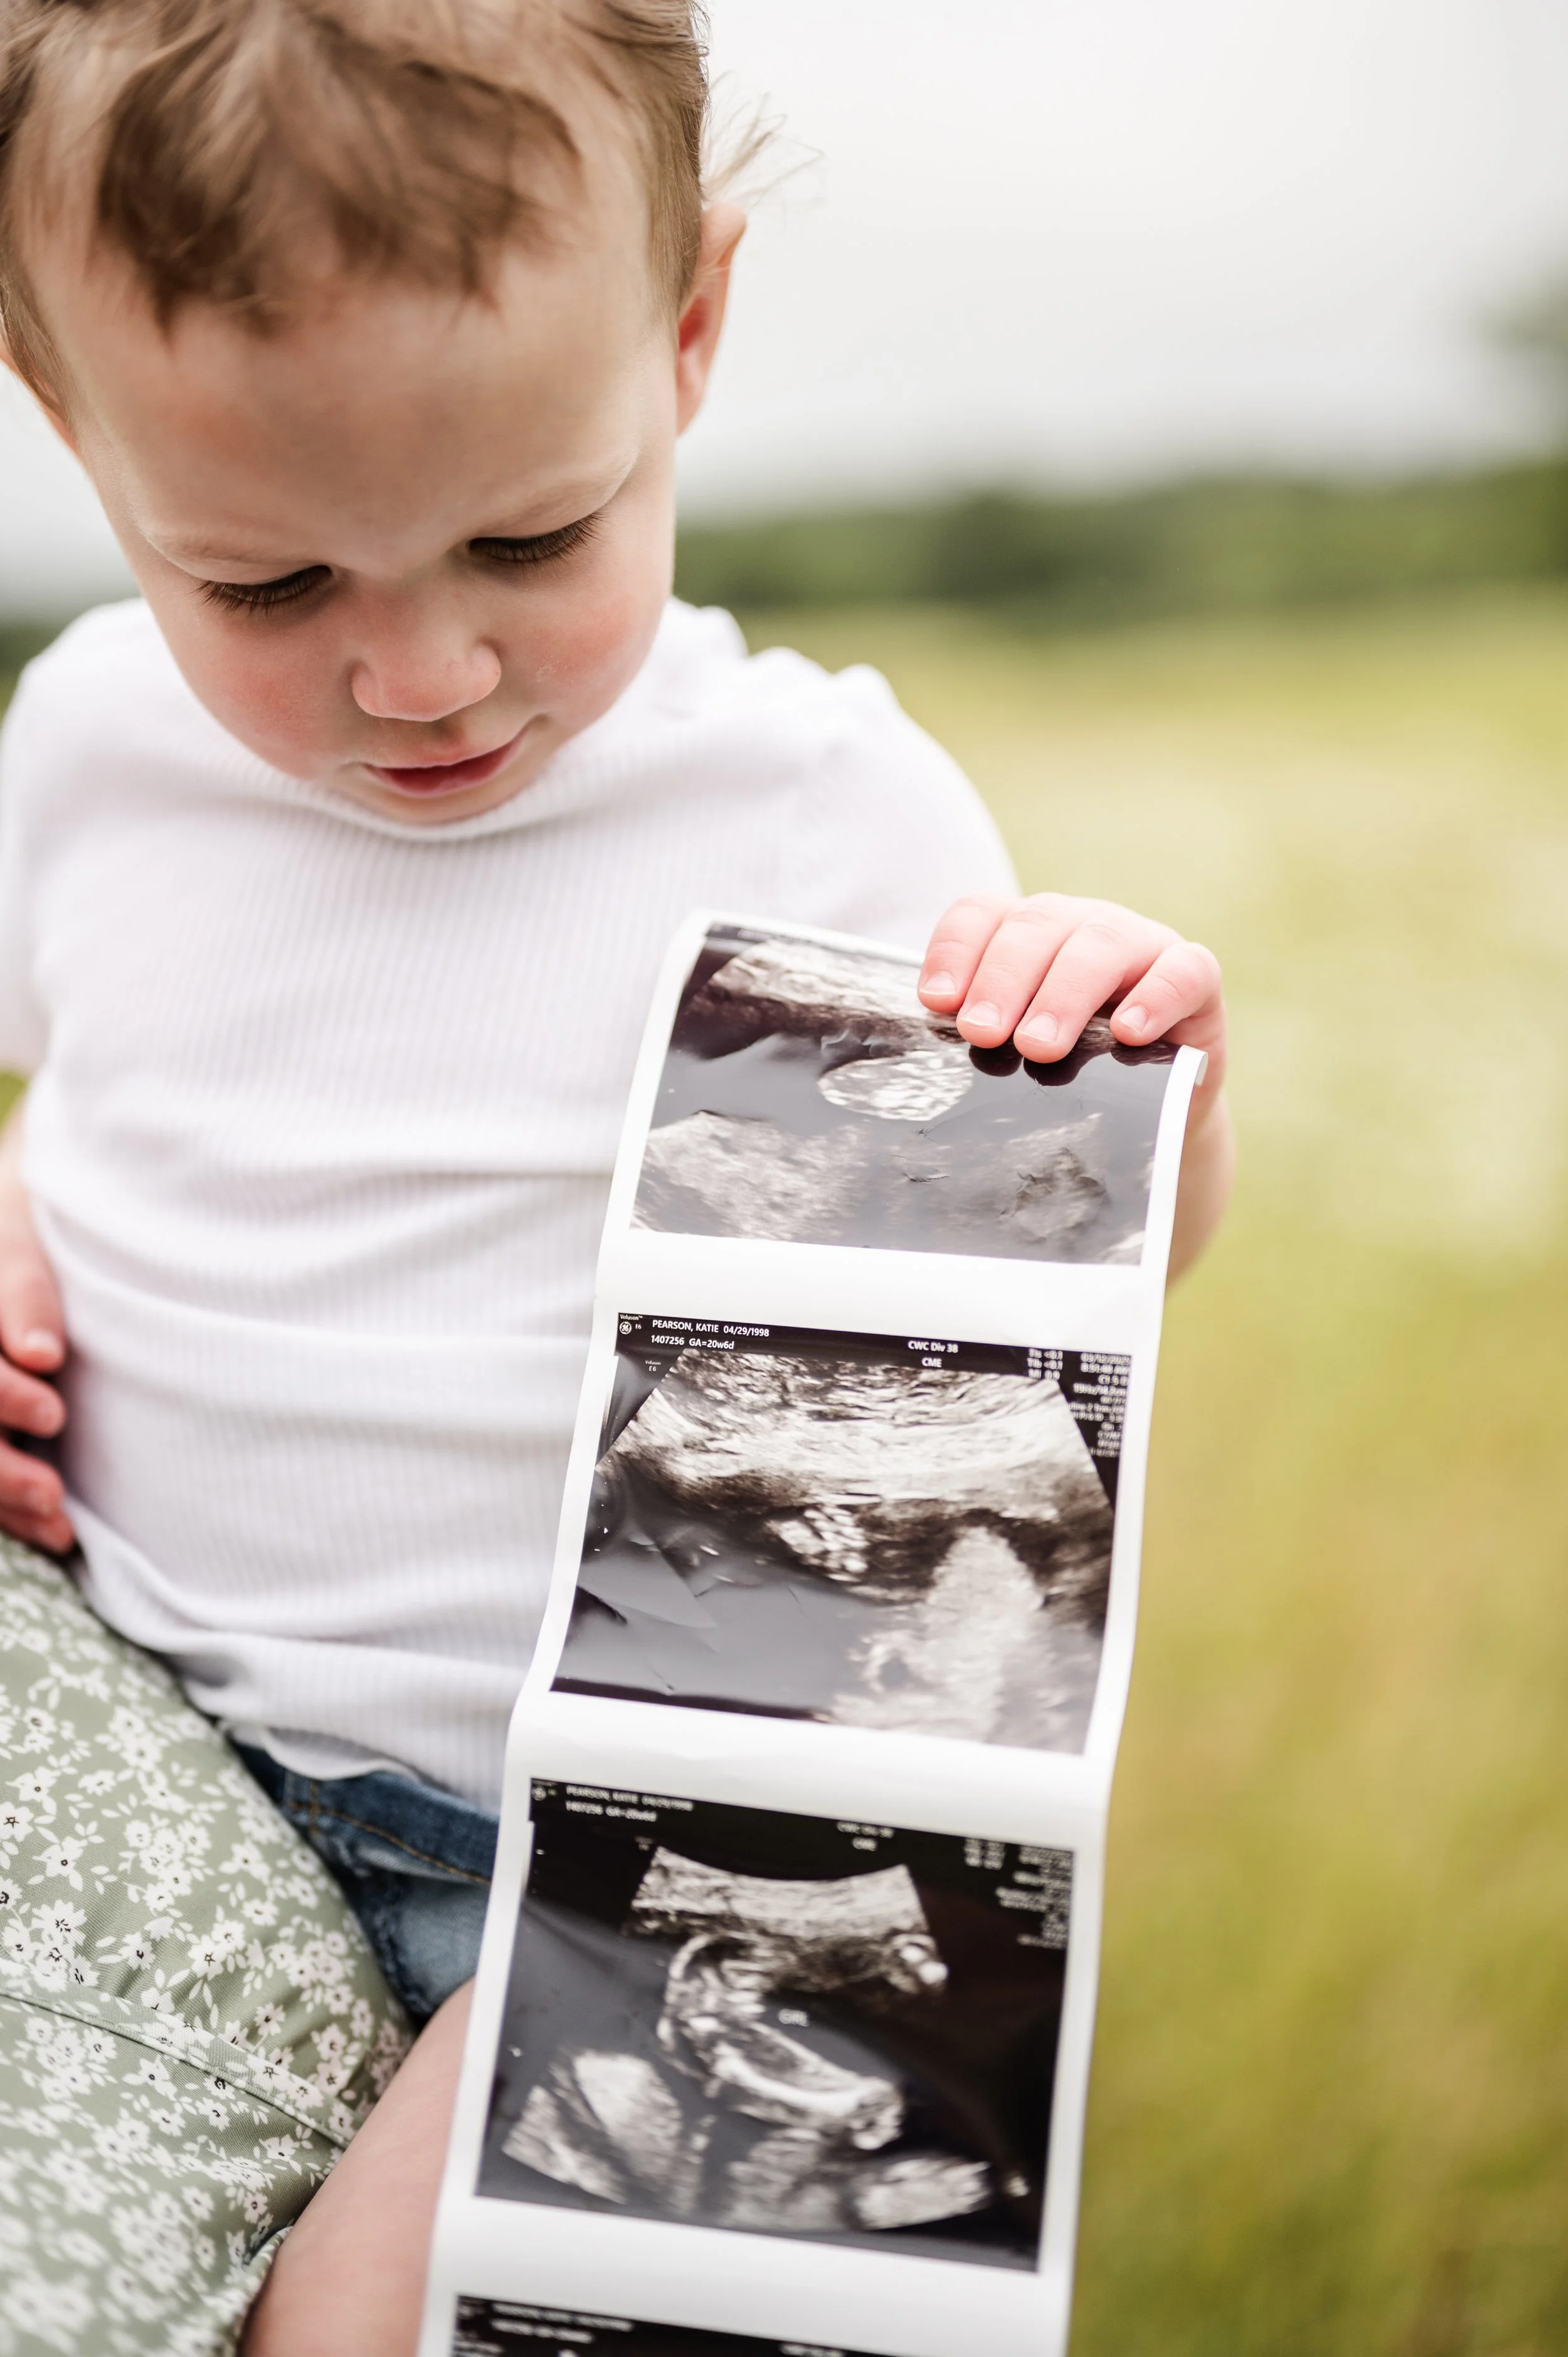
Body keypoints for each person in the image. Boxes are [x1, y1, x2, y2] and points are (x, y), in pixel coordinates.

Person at [0, 2, 1234, 2349]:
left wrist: (1129, 1069)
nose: (419, 673)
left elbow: (1040, 1314)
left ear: (686, 334)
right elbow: (73, 1082)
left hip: (619, 1854)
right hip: (144, 1774)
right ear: (73, 425)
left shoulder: (819, 811)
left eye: (524, 537)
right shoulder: (81, 745)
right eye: (265, 585)